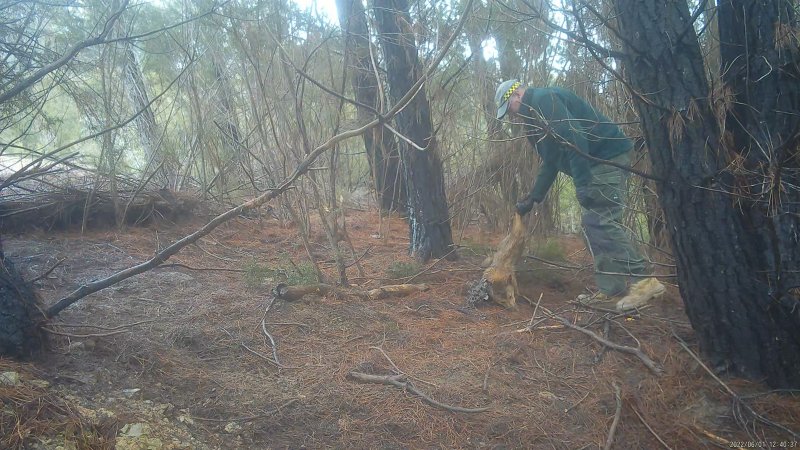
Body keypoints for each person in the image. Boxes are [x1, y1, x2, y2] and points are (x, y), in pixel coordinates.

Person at [494, 79, 665, 312]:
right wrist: (534, 196)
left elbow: (575, 139)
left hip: (606, 157)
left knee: (599, 221)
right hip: (594, 162)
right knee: (593, 226)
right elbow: (551, 161)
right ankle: (611, 290)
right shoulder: (534, 120)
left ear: (516, 96)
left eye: (509, 109)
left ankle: (645, 280)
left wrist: (582, 184)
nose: (512, 115)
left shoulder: (545, 100)